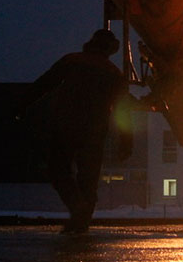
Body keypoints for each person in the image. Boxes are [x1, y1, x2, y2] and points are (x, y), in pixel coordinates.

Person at [17, 29, 133, 234]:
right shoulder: (114, 74)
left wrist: (21, 105)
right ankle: (81, 222)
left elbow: (44, 84)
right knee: (88, 179)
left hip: (65, 126)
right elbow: (123, 111)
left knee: (58, 169)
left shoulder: (72, 61)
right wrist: (126, 141)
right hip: (94, 132)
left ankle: (76, 207)